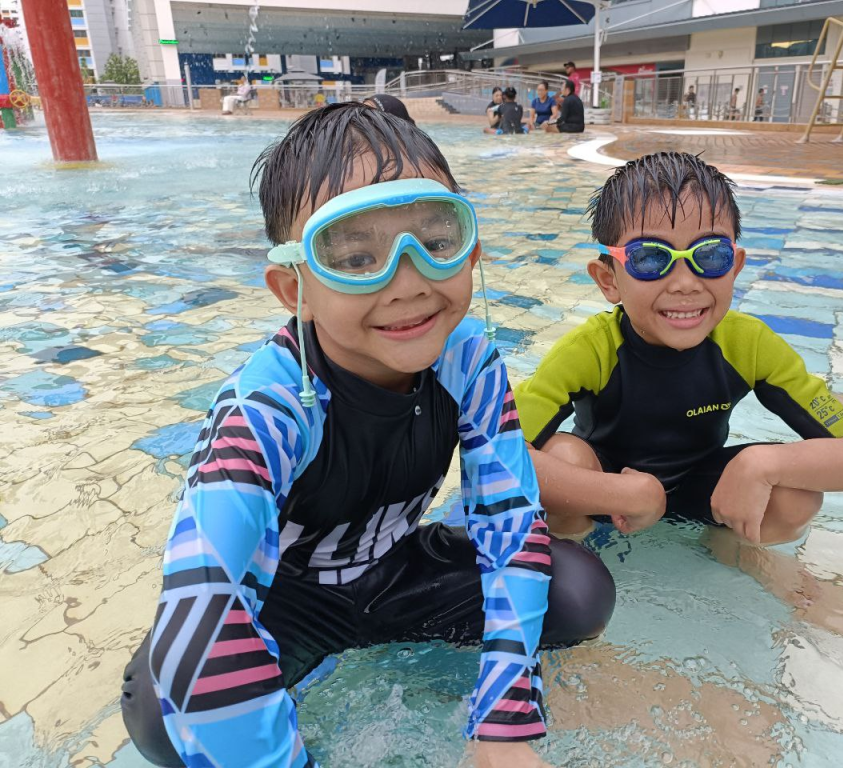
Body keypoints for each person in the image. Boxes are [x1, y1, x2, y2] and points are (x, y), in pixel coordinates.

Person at [119, 103, 616, 768]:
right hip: (290, 600)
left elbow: (510, 524)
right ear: (292, 287)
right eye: (354, 256)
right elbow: (203, 599)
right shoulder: (264, 407)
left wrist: (505, 719)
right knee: (163, 704)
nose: (408, 283)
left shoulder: (467, 357)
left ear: (471, 246)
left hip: (400, 570)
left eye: (436, 241)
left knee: (577, 591)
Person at [515, 152, 843, 543]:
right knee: (562, 456)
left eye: (710, 255)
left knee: (796, 494)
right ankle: (574, 549)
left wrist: (760, 463)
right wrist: (628, 493)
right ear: (609, 280)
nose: (685, 283)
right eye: (649, 258)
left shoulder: (749, 344)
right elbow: (496, 452)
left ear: (736, 267)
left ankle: (727, 549)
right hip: (606, 490)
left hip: (703, 485)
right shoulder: (590, 350)